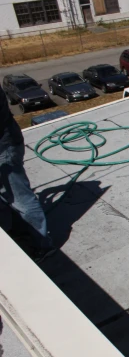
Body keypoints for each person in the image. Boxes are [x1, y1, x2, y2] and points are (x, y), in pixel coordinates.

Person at [0, 86, 54, 262]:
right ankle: (20, 231)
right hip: (6, 143)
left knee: (21, 199)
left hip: (4, 148)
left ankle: (43, 245)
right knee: (7, 197)